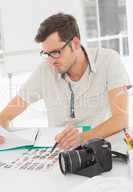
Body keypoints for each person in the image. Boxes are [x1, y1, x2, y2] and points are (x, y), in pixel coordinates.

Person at [0, 13, 131, 150]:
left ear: (75, 43)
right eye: (46, 53)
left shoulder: (109, 60)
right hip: (60, 154)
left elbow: (121, 119)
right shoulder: (45, 70)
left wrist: (82, 138)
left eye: (55, 52)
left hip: (103, 150)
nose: (51, 61)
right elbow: (6, 115)